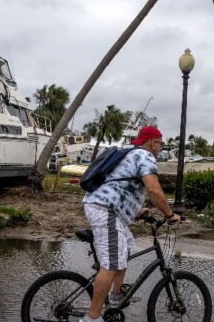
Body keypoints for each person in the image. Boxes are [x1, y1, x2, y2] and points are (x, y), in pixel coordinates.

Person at [80, 126, 181, 322]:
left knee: (125, 247)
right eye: (160, 144)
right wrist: (169, 215)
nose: (160, 147)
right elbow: (152, 189)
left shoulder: (131, 154)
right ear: (152, 142)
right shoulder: (144, 156)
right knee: (111, 264)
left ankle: (116, 295)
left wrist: (136, 210)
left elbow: (120, 186)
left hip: (107, 209)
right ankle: (92, 318)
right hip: (104, 210)